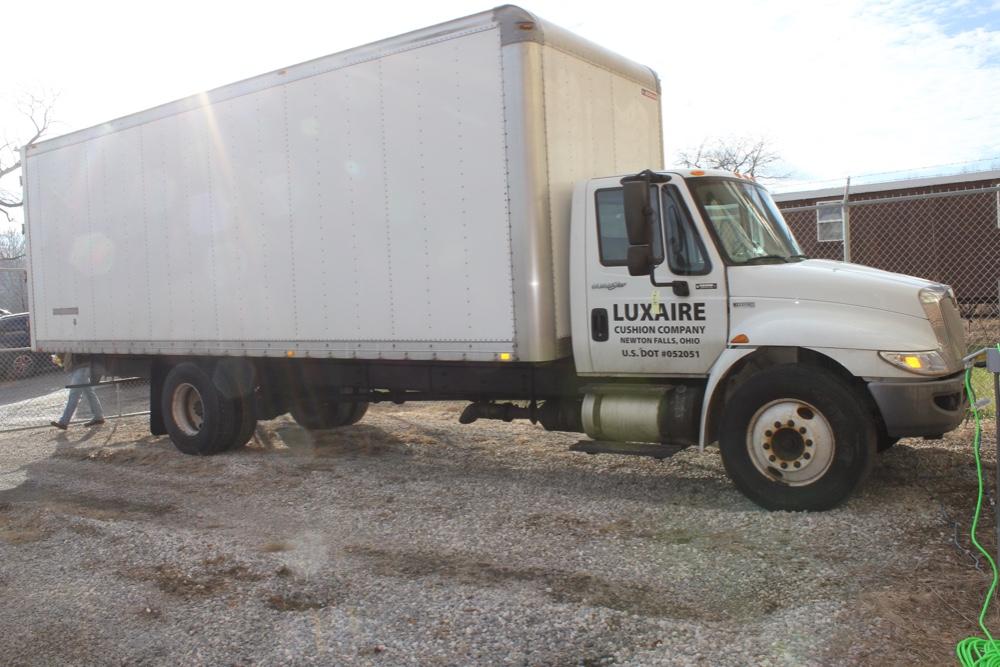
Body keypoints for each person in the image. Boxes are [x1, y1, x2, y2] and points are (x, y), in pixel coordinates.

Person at [50, 353, 105, 429]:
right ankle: (98, 417)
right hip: (80, 367)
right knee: (89, 393)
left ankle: (64, 422)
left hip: (81, 367)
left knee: (74, 394)